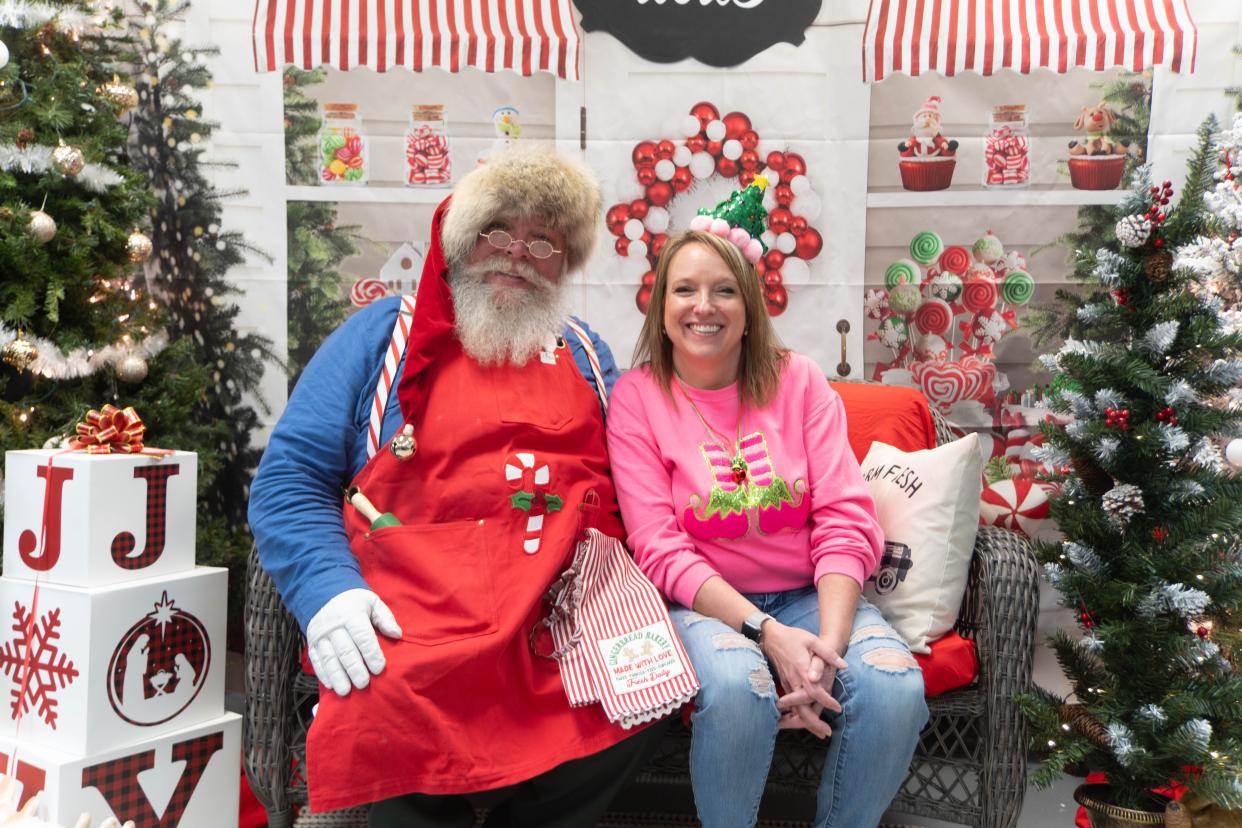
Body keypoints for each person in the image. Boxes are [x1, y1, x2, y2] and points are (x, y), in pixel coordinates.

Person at [248, 147, 677, 826]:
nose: (516, 254)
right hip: (414, 605)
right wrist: (328, 591)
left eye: (542, 240)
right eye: (497, 232)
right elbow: (290, 479)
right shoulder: (380, 335)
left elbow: (650, 475)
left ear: (564, 262)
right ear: (457, 239)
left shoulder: (590, 355)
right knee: (383, 697)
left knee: (647, 680)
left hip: (560, 611)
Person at [605, 180, 929, 828]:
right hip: (707, 604)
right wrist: (766, 634)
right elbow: (658, 547)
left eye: (724, 289)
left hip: (813, 593)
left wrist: (827, 651)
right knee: (737, 688)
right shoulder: (637, 398)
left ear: (750, 305)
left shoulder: (800, 381)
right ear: (660, 305)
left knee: (896, 688)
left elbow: (843, 514)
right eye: (686, 290)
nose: (705, 306)